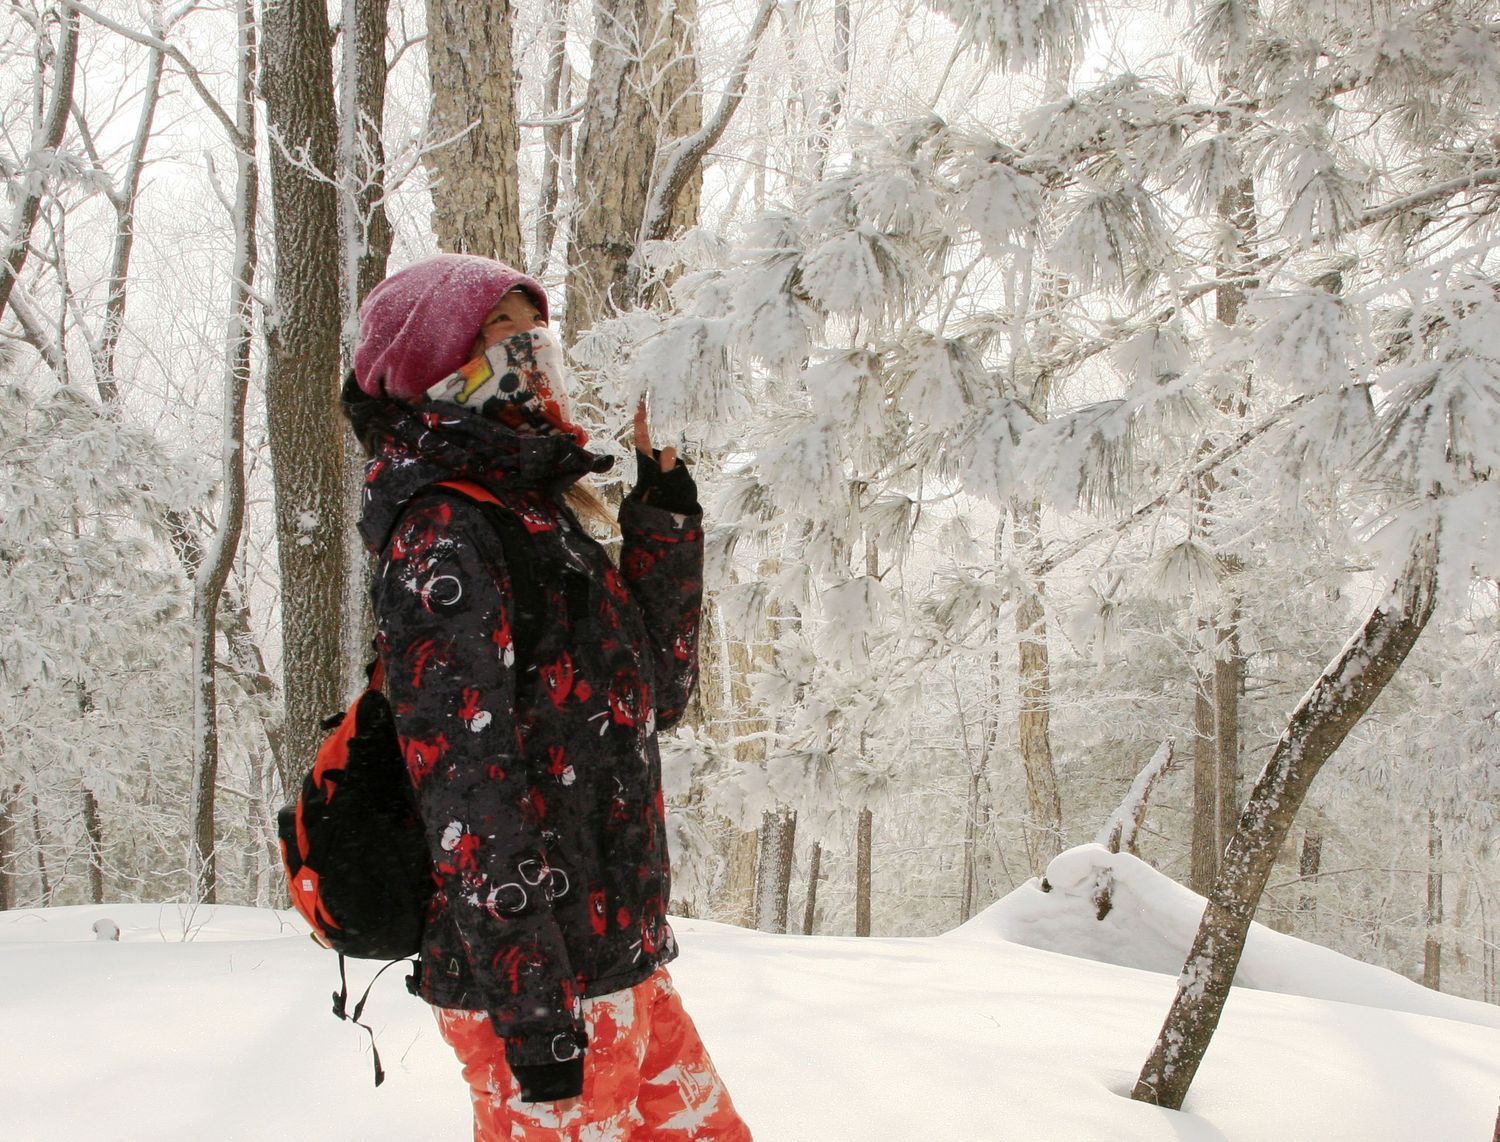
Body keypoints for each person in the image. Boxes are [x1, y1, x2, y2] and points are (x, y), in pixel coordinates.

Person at [343, 253, 752, 1141]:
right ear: (435, 359)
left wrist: (662, 504)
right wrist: (535, 1014)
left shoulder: (537, 511)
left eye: (537, 327)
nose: (531, 347)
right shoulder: (444, 530)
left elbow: (652, 698)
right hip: (544, 990)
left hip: (617, 957)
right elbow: (467, 790)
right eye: (503, 328)